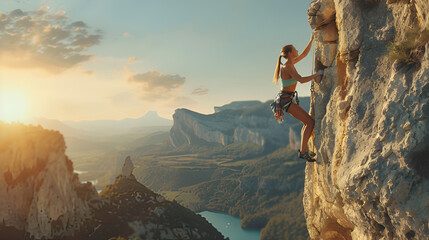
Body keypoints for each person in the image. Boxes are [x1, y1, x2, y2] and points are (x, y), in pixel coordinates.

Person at [272, 33, 322, 162]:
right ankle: (304, 152)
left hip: (286, 99)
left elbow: (304, 54)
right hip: (286, 101)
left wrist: (311, 40)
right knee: (310, 122)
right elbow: (300, 80)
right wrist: (317, 75)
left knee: (307, 122)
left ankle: (305, 150)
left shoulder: (290, 63)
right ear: (289, 53)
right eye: (295, 49)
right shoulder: (288, 66)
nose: (297, 51)